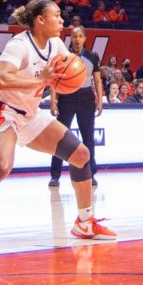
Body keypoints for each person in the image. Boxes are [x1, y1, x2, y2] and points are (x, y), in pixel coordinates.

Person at [0, 0, 114, 252]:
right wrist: (41, 78)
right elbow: (0, 79)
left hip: (30, 113)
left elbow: (67, 72)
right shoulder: (19, 44)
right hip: (2, 109)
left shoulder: (57, 44)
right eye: (57, 15)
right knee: (1, 167)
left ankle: (85, 222)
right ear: (40, 20)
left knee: (81, 155)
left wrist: (67, 80)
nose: (63, 21)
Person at [48, 26, 103, 188]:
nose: (77, 39)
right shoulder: (63, 56)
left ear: (85, 38)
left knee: (88, 138)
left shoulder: (92, 57)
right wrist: (53, 100)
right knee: (59, 137)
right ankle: (55, 175)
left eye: (80, 36)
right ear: (70, 39)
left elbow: (98, 81)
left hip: (86, 97)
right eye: (74, 37)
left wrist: (99, 100)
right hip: (67, 96)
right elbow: (54, 80)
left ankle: (91, 173)